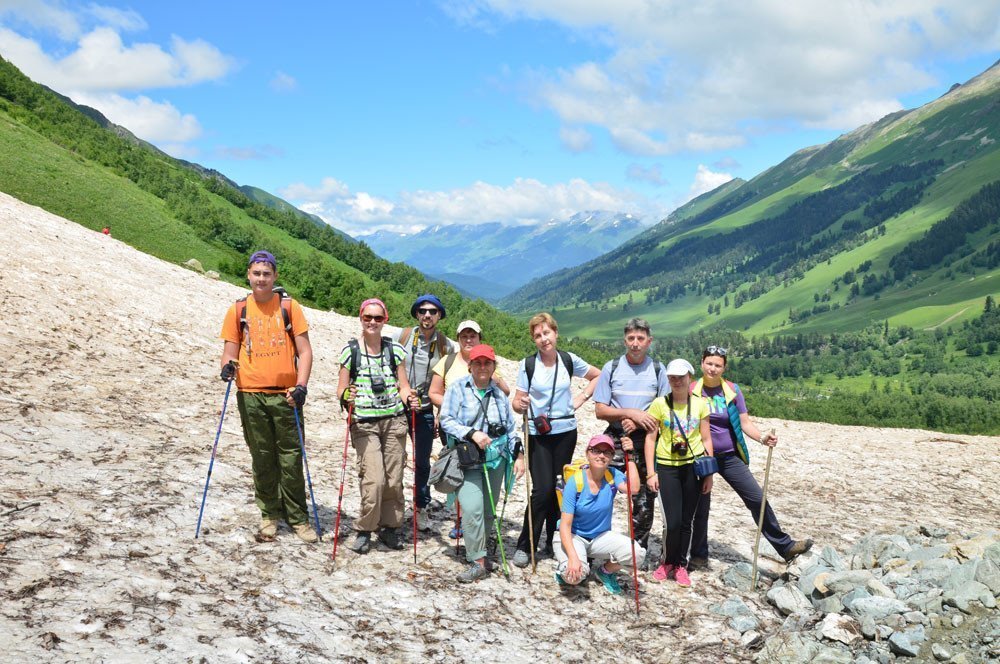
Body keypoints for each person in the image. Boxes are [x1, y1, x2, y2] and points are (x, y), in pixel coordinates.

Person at [219, 250, 316, 543]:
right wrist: (226, 367)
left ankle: (297, 517)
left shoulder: (288, 307)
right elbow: (230, 350)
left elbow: (305, 351)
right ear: (248, 275)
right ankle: (269, 514)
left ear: (274, 276)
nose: (261, 279)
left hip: (286, 396)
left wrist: (301, 386)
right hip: (250, 395)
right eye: (256, 273)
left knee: (290, 458)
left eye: (266, 273)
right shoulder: (238, 310)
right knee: (262, 458)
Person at [689, 346, 812, 567]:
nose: (713, 368)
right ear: (701, 363)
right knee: (700, 506)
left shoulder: (732, 390)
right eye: (709, 363)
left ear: (724, 367)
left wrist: (762, 438)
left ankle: (785, 547)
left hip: (728, 456)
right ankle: (698, 555)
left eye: (718, 365)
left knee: (757, 499)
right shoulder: (691, 390)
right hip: (700, 456)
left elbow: (744, 422)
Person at [511, 312, 601, 568]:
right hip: (538, 434)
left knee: (558, 487)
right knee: (543, 490)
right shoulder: (528, 365)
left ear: (555, 333)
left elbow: (598, 375)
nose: (543, 339)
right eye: (538, 335)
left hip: (565, 433)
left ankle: (553, 540)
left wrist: (581, 398)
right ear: (534, 339)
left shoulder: (568, 360)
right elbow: (517, 402)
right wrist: (521, 403)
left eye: (546, 333)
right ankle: (525, 544)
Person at [439, 344, 524, 582]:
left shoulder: (499, 395)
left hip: (495, 462)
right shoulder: (457, 389)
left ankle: (483, 555)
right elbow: (445, 420)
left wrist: (519, 454)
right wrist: (471, 432)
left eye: (487, 363)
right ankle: (476, 559)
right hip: (467, 461)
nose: (483, 367)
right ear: (470, 366)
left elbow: (510, 429)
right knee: (472, 510)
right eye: (478, 362)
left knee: (488, 512)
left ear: (494, 366)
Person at [337, 298, 414, 554]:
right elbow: (341, 388)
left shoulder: (395, 351)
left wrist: (409, 397)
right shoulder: (351, 352)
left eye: (377, 318)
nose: (372, 322)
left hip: (394, 420)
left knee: (394, 479)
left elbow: (403, 385)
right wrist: (346, 395)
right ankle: (365, 528)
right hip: (364, 424)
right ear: (361, 318)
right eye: (368, 317)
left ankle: (389, 527)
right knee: (375, 479)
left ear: (385, 320)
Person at [593, 318, 669, 563]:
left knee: (645, 498)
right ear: (624, 340)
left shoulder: (658, 370)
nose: (635, 344)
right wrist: (629, 413)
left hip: (646, 438)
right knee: (601, 489)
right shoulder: (611, 367)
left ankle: (638, 552)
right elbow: (600, 410)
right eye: (631, 339)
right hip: (614, 437)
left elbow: (666, 409)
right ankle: (595, 543)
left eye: (640, 339)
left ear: (649, 341)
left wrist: (638, 420)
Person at [428, 319, 509, 540]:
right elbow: (434, 392)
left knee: (472, 476)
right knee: (459, 472)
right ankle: (462, 519)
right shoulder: (448, 361)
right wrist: (455, 405)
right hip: (456, 429)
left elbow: (505, 394)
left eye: (472, 335)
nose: (468, 339)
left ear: (479, 338)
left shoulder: (487, 365)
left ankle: (470, 524)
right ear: (458, 339)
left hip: (486, 435)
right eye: (464, 336)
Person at [644, 358, 713, 587]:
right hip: (667, 467)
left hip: (692, 467)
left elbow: (705, 438)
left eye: (680, 377)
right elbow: (651, 438)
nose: (676, 381)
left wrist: (709, 473)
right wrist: (651, 473)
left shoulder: (701, 405)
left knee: (687, 521)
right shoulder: (659, 405)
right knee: (671, 523)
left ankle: (681, 564)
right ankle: (666, 561)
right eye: (672, 377)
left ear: (689, 378)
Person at [554, 434, 644, 594]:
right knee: (574, 576)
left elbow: (634, 489)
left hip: (599, 537)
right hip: (573, 536)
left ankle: (605, 571)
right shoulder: (575, 482)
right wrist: (574, 558)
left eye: (607, 452)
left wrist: (630, 457)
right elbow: (565, 525)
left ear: (611, 456)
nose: (601, 456)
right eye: (596, 451)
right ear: (587, 453)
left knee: (637, 554)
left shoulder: (612, 475)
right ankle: (565, 566)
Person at [397, 294, 455, 531]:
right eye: (423, 311)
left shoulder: (446, 345)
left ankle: (421, 506)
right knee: (395, 459)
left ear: (439, 315)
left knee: (422, 462)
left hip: (425, 410)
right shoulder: (400, 337)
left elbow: (447, 380)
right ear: (417, 314)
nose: (427, 315)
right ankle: (395, 506)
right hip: (398, 407)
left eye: (432, 311)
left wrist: (442, 412)